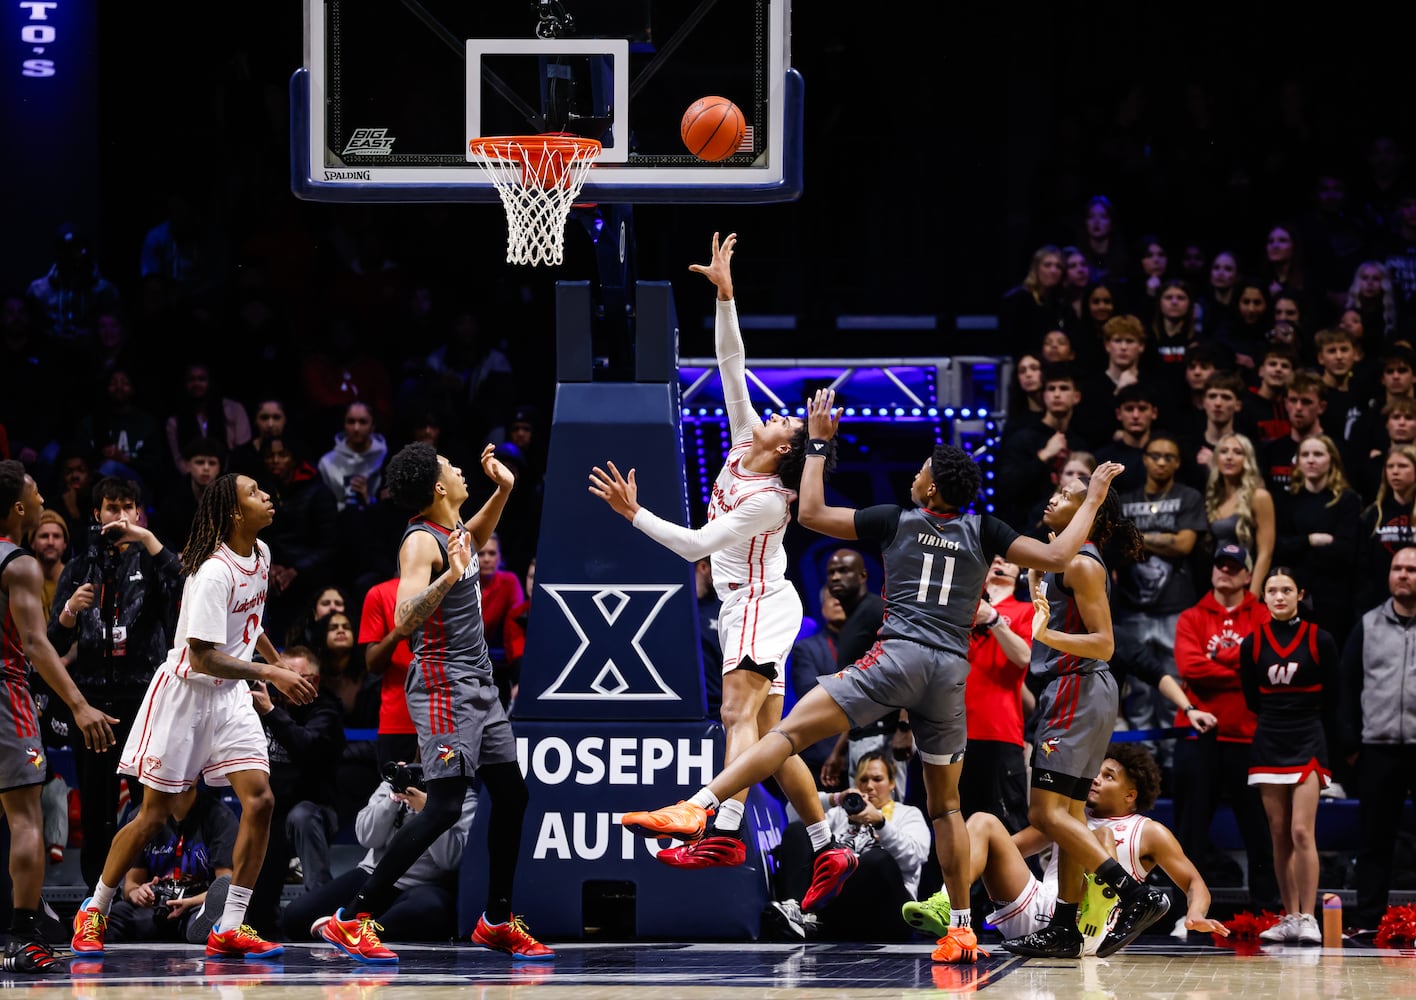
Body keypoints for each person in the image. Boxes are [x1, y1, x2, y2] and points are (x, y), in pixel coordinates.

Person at [621, 385, 1127, 966]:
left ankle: (702, 806)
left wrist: (816, 446)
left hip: (897, 659)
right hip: (948, 679)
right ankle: (961, 928)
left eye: (920, 470)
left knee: (784, 735)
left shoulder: (898, 520)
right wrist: (1093, 497)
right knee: (947, 811)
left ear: (931, 487)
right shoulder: (986, 529)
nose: (914, 474)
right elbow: (1062, 555)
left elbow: (809, 512)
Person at [589, 232, 838, 876]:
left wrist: (632, 513)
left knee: (735, 711)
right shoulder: (739, 441)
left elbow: (697, 546)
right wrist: (726, 295)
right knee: (774, 743)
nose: (774, 416)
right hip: (744, 605)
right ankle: (827, 842)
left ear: (785, 448)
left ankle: (721, 829)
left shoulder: (771, 501)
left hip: (758, 601)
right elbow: (732, 363)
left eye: (785, 422)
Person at [315, 440, 553, 962]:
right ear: (440, 487)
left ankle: (495, 920)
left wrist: (504, 489)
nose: (462, 467)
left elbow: (476, 539)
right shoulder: (421, 542)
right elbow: (404, 617)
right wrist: (448, 573)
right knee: (443, 806)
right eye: (453, 465)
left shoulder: (454, 532)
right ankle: (352, 918)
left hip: (480, 685)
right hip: (444, 686)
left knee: (512, 796)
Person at [69, 472, 318, 961]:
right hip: (186, 693)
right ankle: (94, 909)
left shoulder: (262, 555)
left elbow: (250, 619)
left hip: (230, 698)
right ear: (233, 513)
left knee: (261, 800)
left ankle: (229, 924)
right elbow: (202, 655)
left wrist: (279, 660)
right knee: (153, 815)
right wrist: (268, 670)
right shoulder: (211, 571)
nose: (267, 495)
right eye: (254, 493)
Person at [1002, 463, 1171, 961]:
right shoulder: (1061, 560)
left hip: (1079, 685)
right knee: (1070, 814)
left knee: (1044, 813)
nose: (1053, 498)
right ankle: (1064, 926)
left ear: (1090, 514)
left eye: (1066, 494)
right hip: (1078, 690)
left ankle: (1136, 895)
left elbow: (1104, 643)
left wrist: (1045, 635)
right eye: (1055, 490)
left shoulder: (1082, 564)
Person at [931, 745, 1228, 957]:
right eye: (1095, 773)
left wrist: (1195, 915)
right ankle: (949, 903)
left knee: (1100, 834)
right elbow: (1007, 849)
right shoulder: (1062, 816)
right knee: (984, 822)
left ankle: (1098, 905)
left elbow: (1194, 882)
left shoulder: (1148, 831)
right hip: (1037, 909)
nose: (1096, 779)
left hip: (1086, 929)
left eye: (1108, 776)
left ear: (1131, 795)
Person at [0, 460, 117, 973]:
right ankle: (22, 939)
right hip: (6, 693)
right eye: (36, 490)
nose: (44, 494)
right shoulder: (19, 563)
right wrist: (78, 703)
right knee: (26, 820)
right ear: (20, 507)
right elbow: (35, 644)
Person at [46, 475, 185, 890]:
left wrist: (147, 537)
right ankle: (98, 896)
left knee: (150, 803)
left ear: (139, 513)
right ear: (96, 513)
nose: (120, 516)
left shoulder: (152, 558)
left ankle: (152, 888)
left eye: (128, 507)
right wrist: (70, 609)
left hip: (144, 700)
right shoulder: (80, 566)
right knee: (96, 806)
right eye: (111, 508)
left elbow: (180, 584)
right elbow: (53, 641)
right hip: (91, 704)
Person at [1171, 543, 1280, 910]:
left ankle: (1266, 909)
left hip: (1249, 737)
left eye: (1234, 567)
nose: (1225, 571)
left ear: (1248, 575)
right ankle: (1184, 910)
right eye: (1220, 565)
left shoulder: (1264, 614)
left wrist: (1219, 657)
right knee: (1189, 832)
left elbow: (1266, 666)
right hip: (1198, 737)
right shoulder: (1191, 617)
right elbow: (1190, 668)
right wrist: (1242, 666)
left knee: (1259, 831)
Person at [1241, 566, 1340, 945]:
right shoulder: (1252, 643)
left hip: (1308, 738)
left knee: (1301, 830)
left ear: (1301, 594)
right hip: (1268, 739)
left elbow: (1333, 696)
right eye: (1271, 590)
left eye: (1286, 590)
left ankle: (1309, 917)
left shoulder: (1320, 639)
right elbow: (1252, 699)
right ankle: (1290, 916)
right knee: (1279, 834)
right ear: (1263, 597)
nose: (1279, 597)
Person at [284, 766, 476, 944]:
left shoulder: (463, 798)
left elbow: (449, 860)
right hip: (372, 876)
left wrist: (430, 813)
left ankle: (362, 933)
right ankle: (355, 930)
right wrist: (392, 800)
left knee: (432, 911)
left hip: (422, 886)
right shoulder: (397, 779)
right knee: (295, 917)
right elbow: (367, 838)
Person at [768, 751, 931, 942]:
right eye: (863, 779)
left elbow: (916, 857)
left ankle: (813, 920)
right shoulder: (840, 813)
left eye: (877, 779)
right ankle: (795, 912)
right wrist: (836, 799)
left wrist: (881, 823)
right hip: (835, 906)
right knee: (798, 830)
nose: (870, 786)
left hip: (886, 908)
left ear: (892, 783)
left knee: (876, 859)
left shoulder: (907, 814)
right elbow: (792, 812)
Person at [1339, 546, 1416, 936]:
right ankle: (1368, 920)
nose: (1403, 575)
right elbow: (1347, 685)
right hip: (1378, 748)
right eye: (1397, 568)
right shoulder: (1367, 624)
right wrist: (1352, 743)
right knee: (1374, 841)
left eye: (1412, 569)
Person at [246, 644, 345, 937]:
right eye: (279, 675)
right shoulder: (261, 703)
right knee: (261, 815)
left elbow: (308, 748)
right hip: (274, 813)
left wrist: (272, 712)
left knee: (301, 816)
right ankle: (255, 920)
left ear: (312, 681)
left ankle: (322, 911)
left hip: (317, 812)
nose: (282, 683)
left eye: (291, 676)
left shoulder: (326, 709)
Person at [102, 785, 237, 945]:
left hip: (196, 904)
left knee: (207, 918)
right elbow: (131, 884)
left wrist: (190, 902)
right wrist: (137, 893)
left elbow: (226, 885)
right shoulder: (141, 818)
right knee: (116, 915)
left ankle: (215, 927)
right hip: (155, 907)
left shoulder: (220, 816)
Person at [958, 556, 1033, 833]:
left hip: (999, 731)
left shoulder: (1025, 610)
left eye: (1010, 559)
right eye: (994, 557)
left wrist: (993, 619)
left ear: (1019, 572)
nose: (1000, 560)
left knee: (1008, 823)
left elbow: (1023, 656)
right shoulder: (961, 610)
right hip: (956, 733)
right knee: (960, 823)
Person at [818, 549, 901, 799]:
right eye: (831, 572)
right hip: (859, 736)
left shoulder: (877, 611)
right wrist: (839, 750)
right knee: (863, 823)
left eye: (843, 570)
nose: (835, 577)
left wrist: (904, 727)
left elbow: (908, 667)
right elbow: (857, 696)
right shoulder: (851, 621)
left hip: (885, 737)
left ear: (863, 575)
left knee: (888, 818)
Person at [787, 587, 848, 793]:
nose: (837, 601)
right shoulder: (806, 648)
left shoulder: (873, 647)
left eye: (843, 596)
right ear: (822, 607)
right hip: (821, 754)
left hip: (868, 752)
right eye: (831, 597)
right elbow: (813, 698)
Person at [1206, 433, 1276, 595]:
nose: (1230, 457)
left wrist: (1253, 597)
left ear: (1247, 460)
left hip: (1245, 586)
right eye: (1224, 451)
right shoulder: (1216, 498)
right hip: (1219, 587)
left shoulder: (1259, 497)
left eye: (1238, 452)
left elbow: (1265, 553)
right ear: (1216, 458)